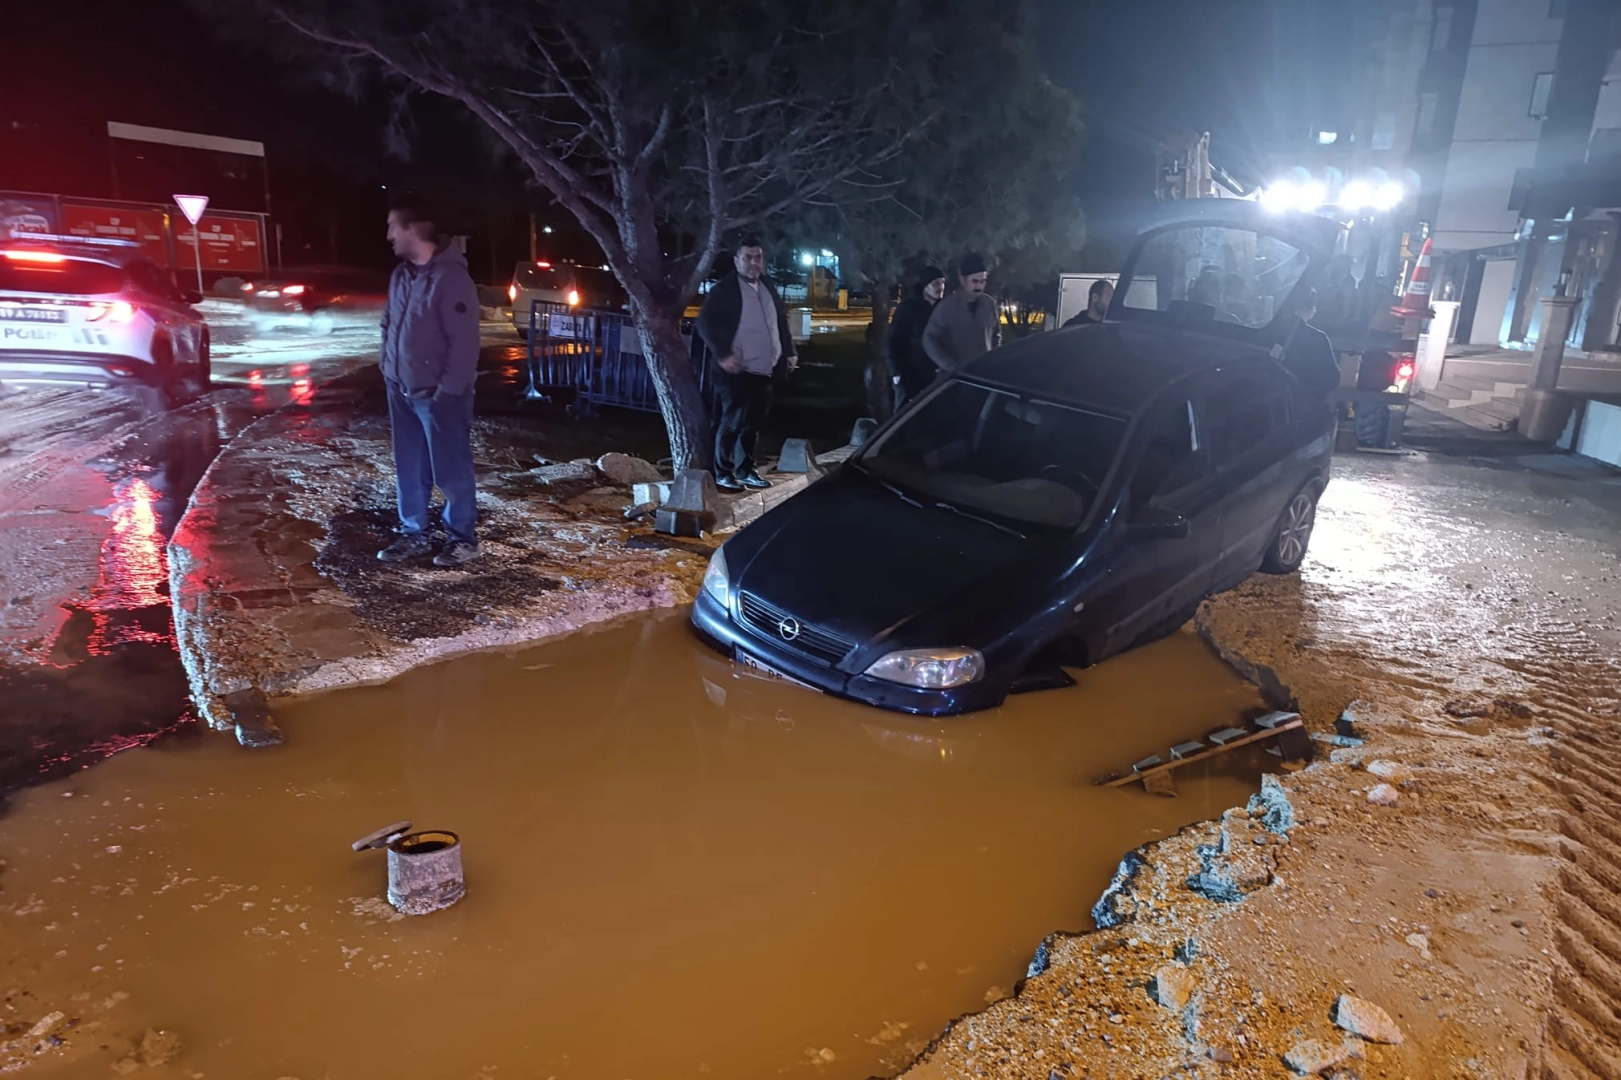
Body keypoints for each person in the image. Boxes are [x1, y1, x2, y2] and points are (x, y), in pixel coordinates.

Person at [375, 202, 483, 567]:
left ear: (414, 229)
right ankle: (414, 534)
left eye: (393, 226)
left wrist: (448, 391)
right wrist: (388, 369)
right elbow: (388, 323)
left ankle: (462, 539)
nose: (389, 235)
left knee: (451, 469)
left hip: (440, 395)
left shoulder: (452, 278)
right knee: (409, 467)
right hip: (401, 388)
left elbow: (464, 342)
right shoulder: (400, 275)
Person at [696, 238, 799, 493]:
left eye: (758, 257)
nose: (754, 263)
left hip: (764, 370)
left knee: (753, 425)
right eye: (748, 257)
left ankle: (746, 470)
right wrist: (723, 354)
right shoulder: (725, 290)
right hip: (736, 372)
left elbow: (779, 321)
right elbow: (704, 322)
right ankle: (723, 472)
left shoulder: (767, 286)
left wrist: (789, 351)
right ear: (737, 261)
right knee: (731, 423)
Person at [922, 253, 1000, 371]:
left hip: (984, 373)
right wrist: (950, 366)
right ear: (963, 280)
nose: (979, 286)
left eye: (983, 281)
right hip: (957, 376)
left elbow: (996, 334)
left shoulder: (989, 304)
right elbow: (929, 340)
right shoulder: (946, 307)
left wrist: (993, 359)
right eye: (975, 281)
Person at [888, 266, 945, 403]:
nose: (941, 287)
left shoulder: (944, 308)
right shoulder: (908, 308)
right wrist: (896, 373)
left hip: (936, 377)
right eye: (935, 283)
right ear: (925, 286)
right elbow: (892, 341)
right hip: (909, 376)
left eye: (942, 282)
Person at [1281, 290, 1342, 402]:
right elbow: (1332, 378)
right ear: (1312, 311)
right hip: (1303, 403)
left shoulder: (1269, 331)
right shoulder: (1318, 338)